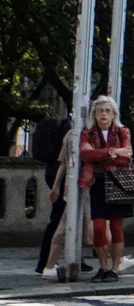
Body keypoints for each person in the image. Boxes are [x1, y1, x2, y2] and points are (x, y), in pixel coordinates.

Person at [78, 97, 134, 281]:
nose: (104, 114)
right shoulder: (88, 133)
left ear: (113, 114)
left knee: (117, 226)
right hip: (98, 182)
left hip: (118, 181)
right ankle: (102, 267)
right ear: (94, 114)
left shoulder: (122, 131)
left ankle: (115, 268)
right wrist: (111, 152)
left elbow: (126, 155)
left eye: (107, 111)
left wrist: (101, 155)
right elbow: (85, 154)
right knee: (99, 227)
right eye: (100, 111)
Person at [29, 101, 77, 277]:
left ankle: (59, 258)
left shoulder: (66, 125)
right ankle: (46, 262)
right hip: (62, 175)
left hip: (55, 173)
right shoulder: (72, 129)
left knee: (62, 218)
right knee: (59, 219)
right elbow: (65, 159)